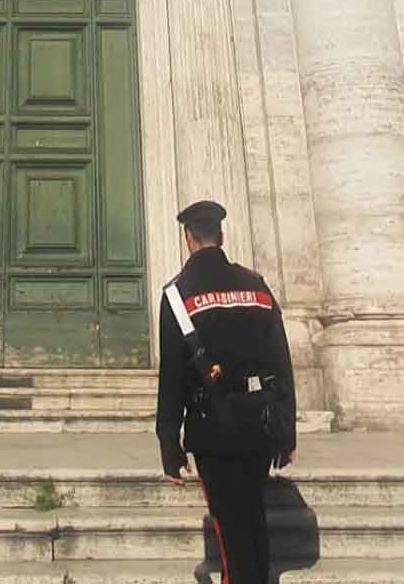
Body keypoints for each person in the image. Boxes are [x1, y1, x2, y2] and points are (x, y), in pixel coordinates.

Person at [155, 200, 297, 584]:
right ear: (221, 235)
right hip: (259, 419)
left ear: (188, 238)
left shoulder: (177, 294)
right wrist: (287, 431)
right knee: (252, 516)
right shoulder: (256, 285)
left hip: (212, 424)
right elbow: (280, 362)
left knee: (229, 527)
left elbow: (172, 377)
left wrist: (170, 445)